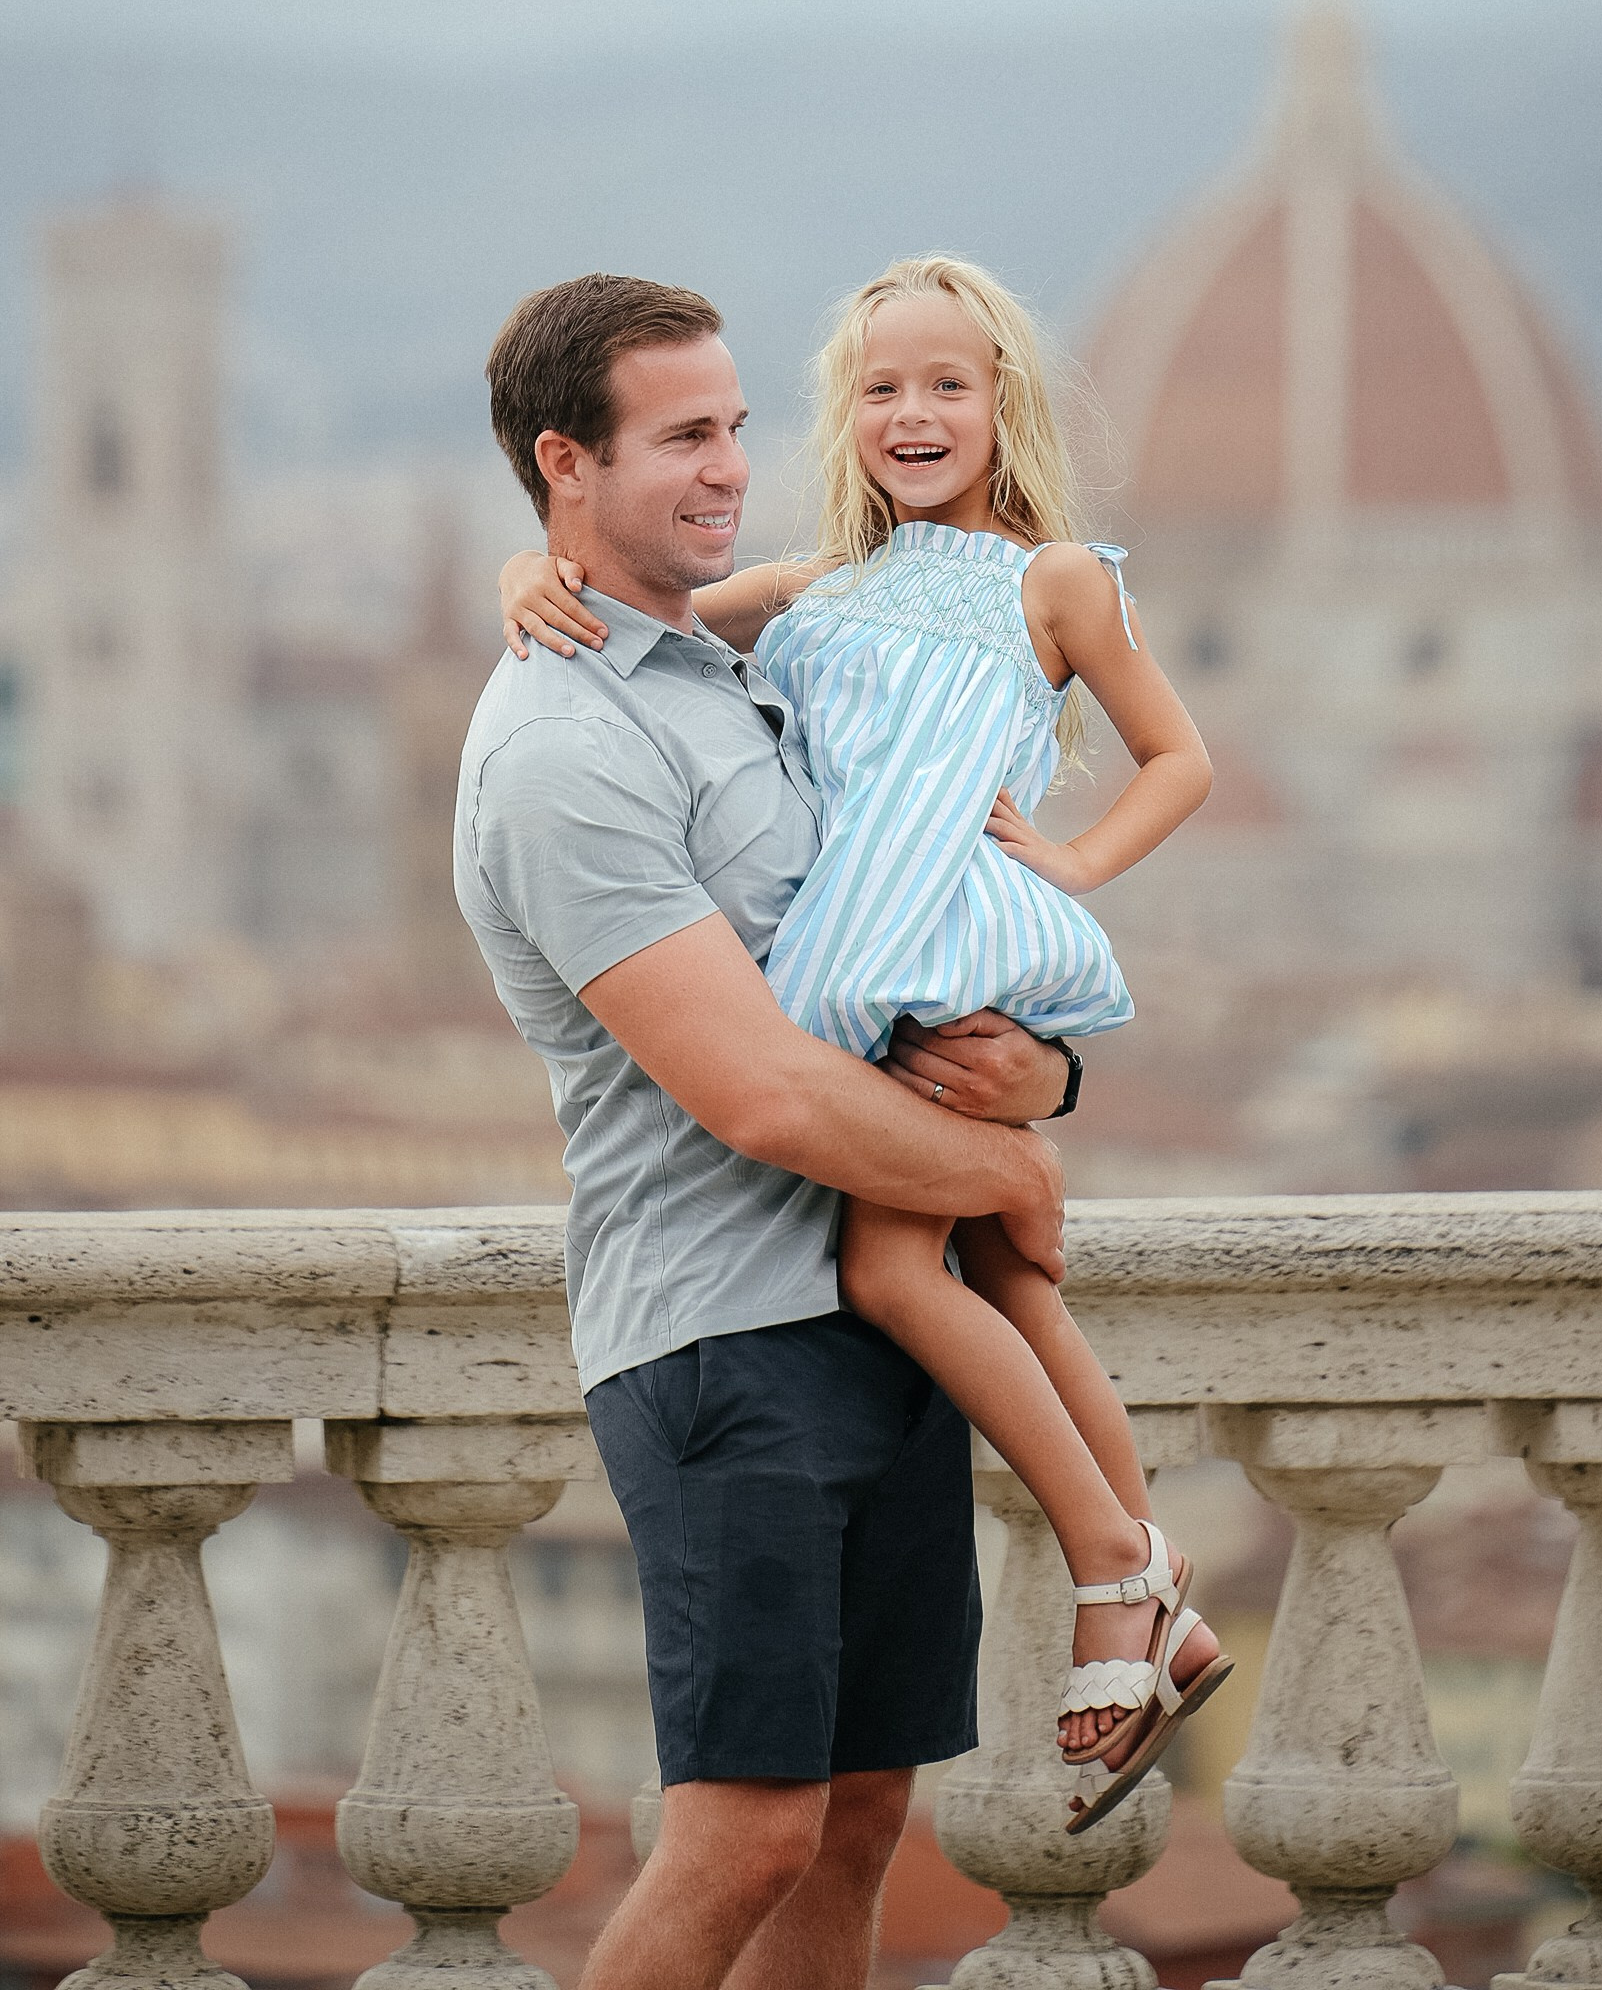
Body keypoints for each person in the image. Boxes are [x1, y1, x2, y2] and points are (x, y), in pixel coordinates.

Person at [500, 252, 1231, 1840]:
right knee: (1008, 1277)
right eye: (882, 388)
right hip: (864, 980)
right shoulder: (823, 584)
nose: (915, 413)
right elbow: (650, 601)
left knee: (905, 1274)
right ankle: (1145, 1571)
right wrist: (524, 575)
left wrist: (1078, 871)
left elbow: (1178, 755)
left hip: (941, 947)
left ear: (1004, 405)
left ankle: (1125, 1577)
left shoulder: (1055, 581)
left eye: (949, 385)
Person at [457, 270, 1080, 1990]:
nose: (733, 466)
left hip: (878, 1312)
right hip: (724, 1340)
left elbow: (908, 941)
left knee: (864, 1813)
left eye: (737, 425)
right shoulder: (560, 746)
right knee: (743, 1833)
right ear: (563, 458)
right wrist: (1016, 1173)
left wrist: (1046, 1079)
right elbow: (761, 1092)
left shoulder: (725, 656)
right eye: (683, 438)